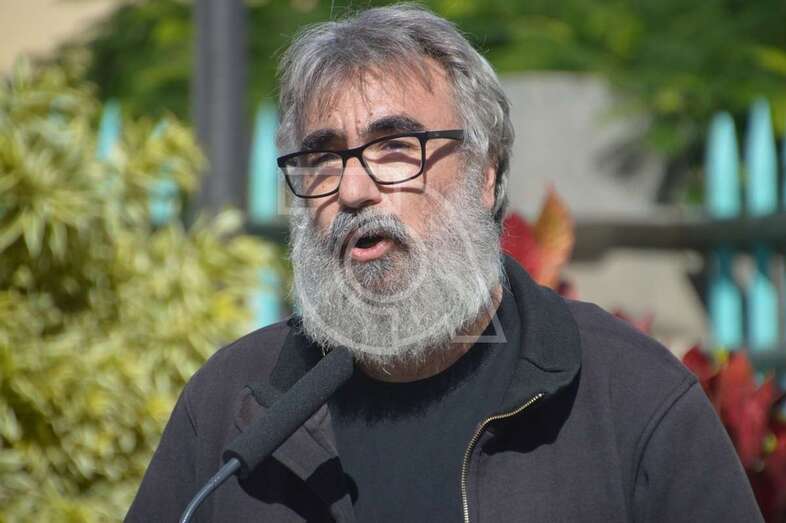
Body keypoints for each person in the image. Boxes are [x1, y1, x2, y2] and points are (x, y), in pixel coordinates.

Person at [126, 5, 763, 522]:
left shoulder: (627, 398)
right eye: (323, 158)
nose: (353, 191)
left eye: (397, 148)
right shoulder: (231, 409)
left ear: (486, 177)